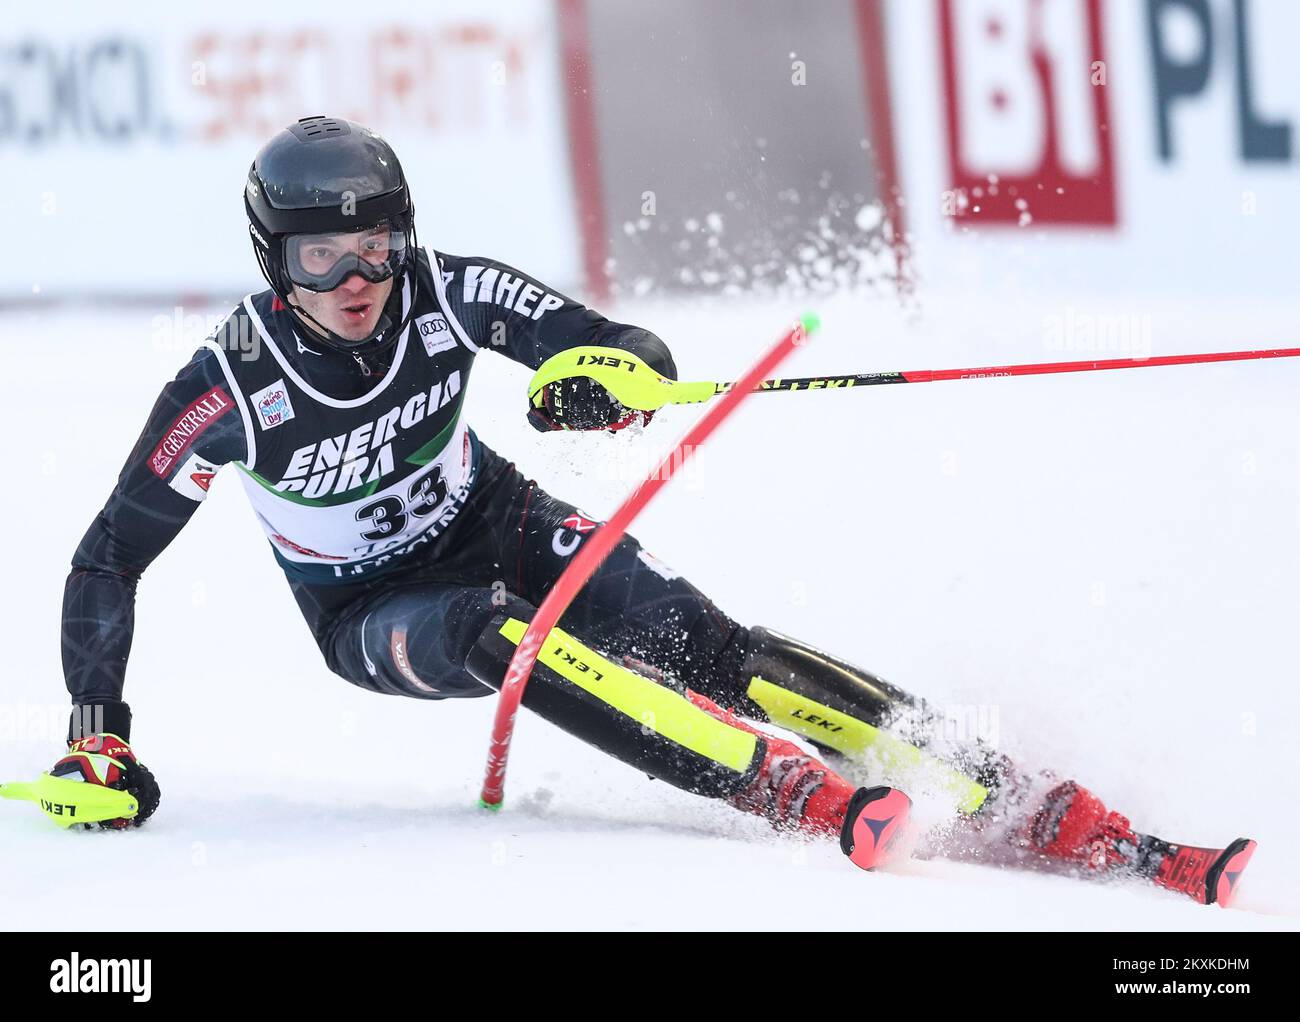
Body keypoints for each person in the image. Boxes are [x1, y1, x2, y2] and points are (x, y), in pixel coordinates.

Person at [51, 117, 1251, 900]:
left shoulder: (440, 290)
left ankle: (1038, 799)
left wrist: (603, 383)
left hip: (498, 516)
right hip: (373, 610)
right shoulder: (226, 393)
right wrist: (97, 729)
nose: (357, 281)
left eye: (373, 248)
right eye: (323, 261)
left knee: (711, 647)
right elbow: (107, 559)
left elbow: (608, 341)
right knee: (496, 631)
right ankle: (785, 789)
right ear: (277, 265)